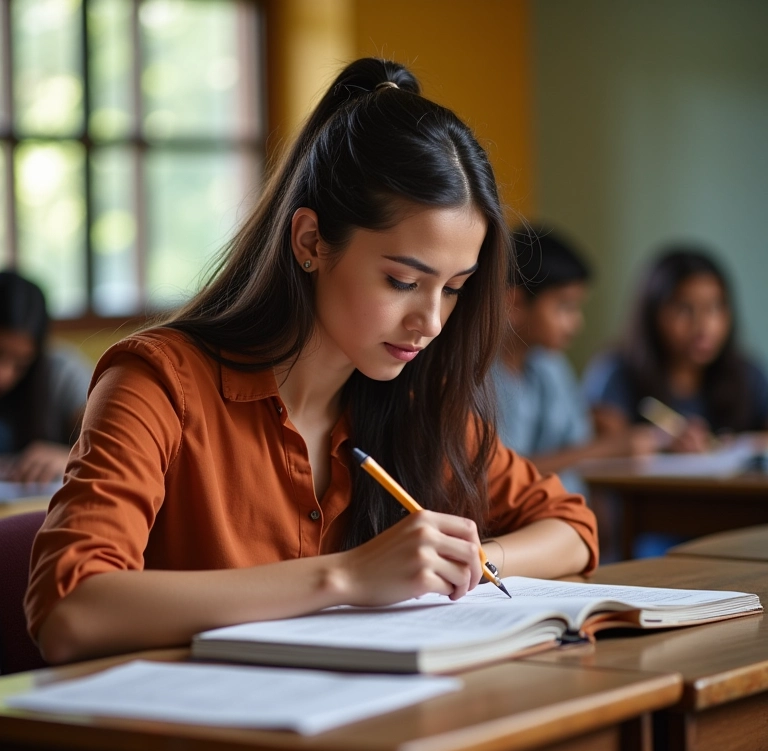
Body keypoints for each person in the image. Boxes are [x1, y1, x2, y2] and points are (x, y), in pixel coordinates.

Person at [26, 58, 598, 667]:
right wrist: (347, 577)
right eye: (403, 281)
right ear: (310, 242)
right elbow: (71, 610)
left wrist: (463, 563)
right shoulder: (158, 382)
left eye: (453, 288)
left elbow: (572, 528)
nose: (431, 322)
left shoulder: (409, 402)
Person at [492, 227, 659, 495]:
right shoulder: (479, 377)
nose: (576, 323)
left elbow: (576, 438)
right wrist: (605, 448)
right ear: (516, 303)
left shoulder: (550, 364)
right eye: (565, 307)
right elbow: (499, 476)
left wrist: (601, 428)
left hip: (563, 509)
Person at [583, 246, 768, 450]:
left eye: (715, 307)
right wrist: (660, 443)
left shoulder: (748, 374)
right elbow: (605, 449)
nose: (704, 326)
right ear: (653, 314)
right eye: (684, 309)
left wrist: (737, 445)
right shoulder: (616, 372)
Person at [0, 272, 92, 484]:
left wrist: (73, 457)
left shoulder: (62, 374)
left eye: (21, 364)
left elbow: (113, 447)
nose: (3, 375)